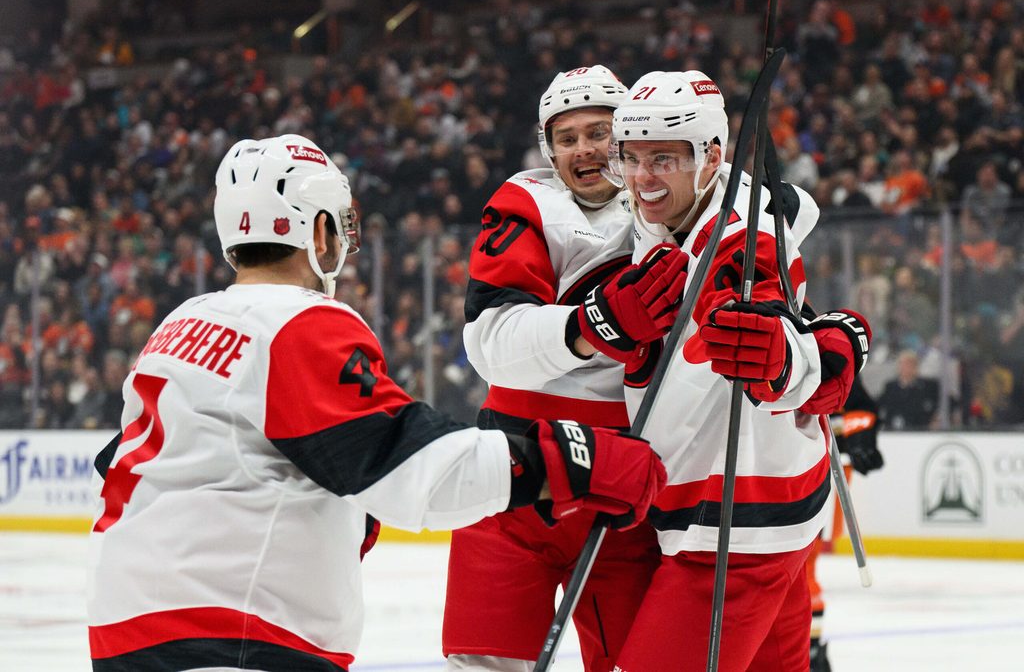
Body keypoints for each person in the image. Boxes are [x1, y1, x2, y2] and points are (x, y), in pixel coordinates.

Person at [85, 133, 667, 672]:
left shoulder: (180, 324)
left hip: (125, 628)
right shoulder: (302, 323)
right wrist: (572, 460)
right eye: (338, 227)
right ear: (316, 234)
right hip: (233, 633)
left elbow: (120, 463)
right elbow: (406, 461)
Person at [607, 71, 872, 672]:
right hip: (751, 517)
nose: (644, 177)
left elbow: (773, 327)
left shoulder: (738, 241)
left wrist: (785, 361)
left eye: (665, 159)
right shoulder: (670, 215)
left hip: (732, 529)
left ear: (711, 157)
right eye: (633, 157)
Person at [443, 65, 678, 672]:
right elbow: (491, 342)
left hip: (624, 476)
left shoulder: (674, 198)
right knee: (483, 661)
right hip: (515, 473)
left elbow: (751, 231)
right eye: (566, 137)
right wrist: (592, 323)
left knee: (635, 662)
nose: (584, 150)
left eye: (598, 131)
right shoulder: (526, 201)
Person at [807, 376, 884, 672]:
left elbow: (859, 408)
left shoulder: (825, 343)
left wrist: (861, 438)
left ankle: (809, 649)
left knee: (802, 569)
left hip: (819, 471)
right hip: (763, 470)